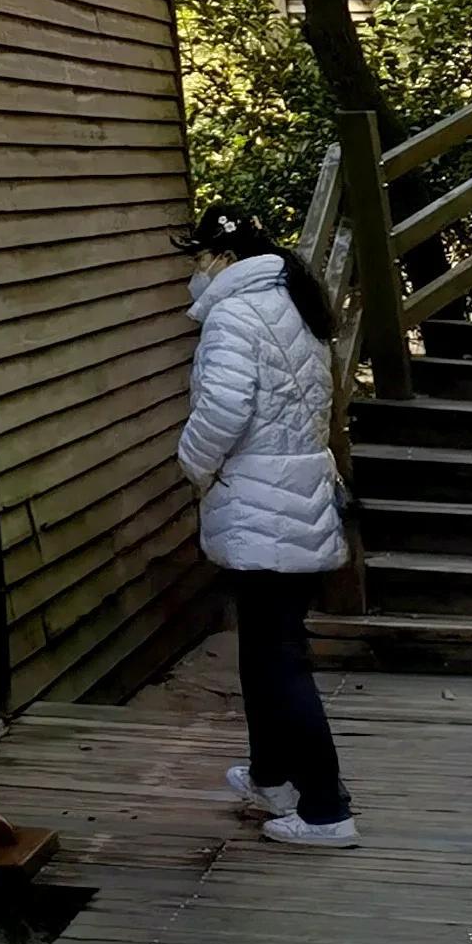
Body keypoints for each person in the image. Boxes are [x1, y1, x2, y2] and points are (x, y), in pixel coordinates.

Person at [178, 201, 357, 847]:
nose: (195, 272)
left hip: (260, 499)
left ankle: (326, 809)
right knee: (264, 649)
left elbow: (224, 412)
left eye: (200, 258)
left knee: (278, 657)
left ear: (224, 258)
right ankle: (271, 778)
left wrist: (192, 464)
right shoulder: (294, 304)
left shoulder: (234, 314)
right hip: (299, 491)